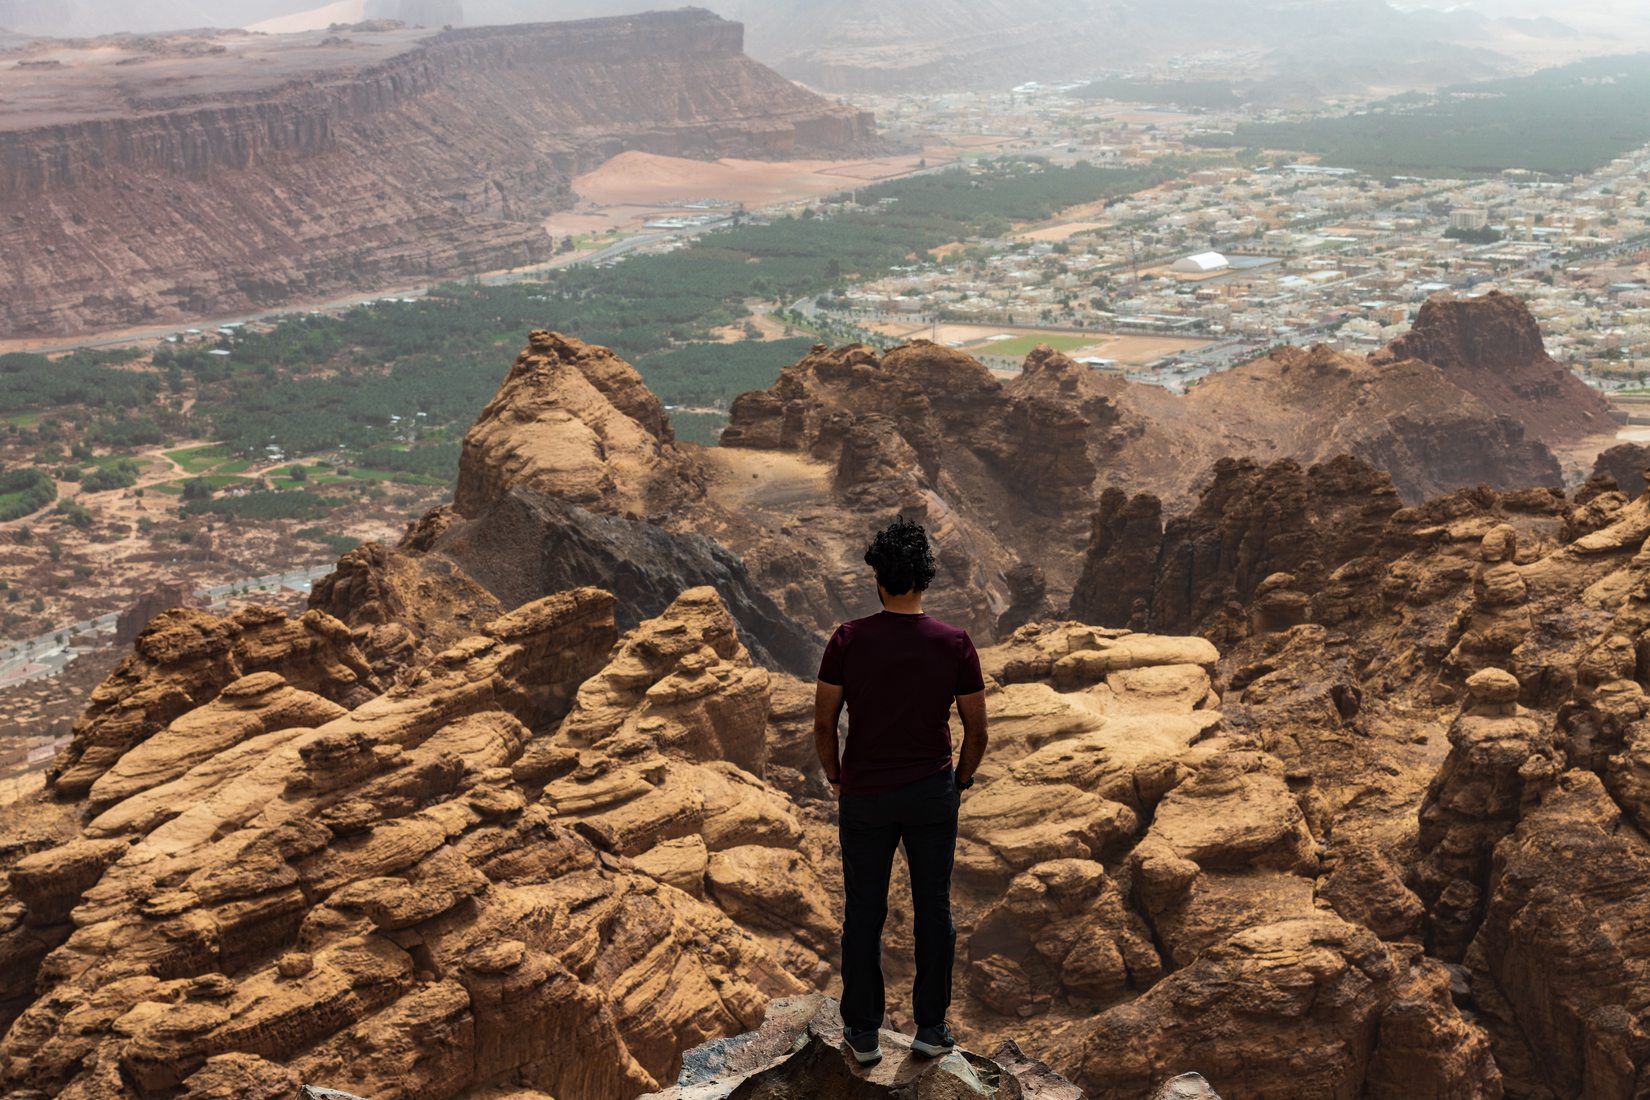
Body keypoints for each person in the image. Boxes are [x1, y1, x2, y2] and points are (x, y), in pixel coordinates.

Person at [814, 516, 989, 1066]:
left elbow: (824, 726)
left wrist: (837, 776)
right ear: (925, 580)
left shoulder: (847, 640)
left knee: (864, 911)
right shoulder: (955, 643)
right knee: (933, 909)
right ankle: (930, 1029)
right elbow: (977, 730)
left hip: (865, 795)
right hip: (931, 794)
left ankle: (863, 1035)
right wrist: (958, 781)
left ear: (878, 580)